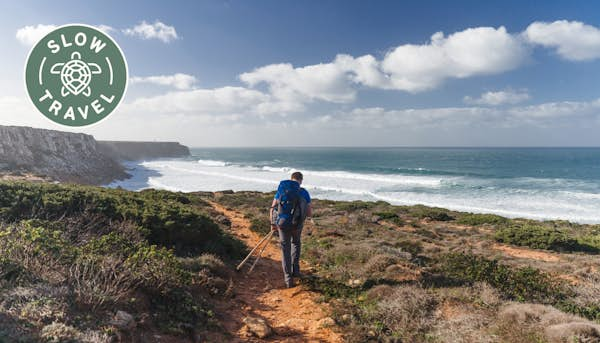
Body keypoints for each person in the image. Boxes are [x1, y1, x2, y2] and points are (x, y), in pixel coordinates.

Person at [270, 171, 312, 288]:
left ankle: (288, 280)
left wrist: (273, 224)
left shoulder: (282, 190)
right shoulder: (304, 192)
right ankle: (296, 271)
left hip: (282, 224)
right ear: (301, 180)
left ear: (291, 178)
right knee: (296, 243)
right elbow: (309, 213)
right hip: (297, 225)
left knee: (285, 249)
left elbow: (273, 208)